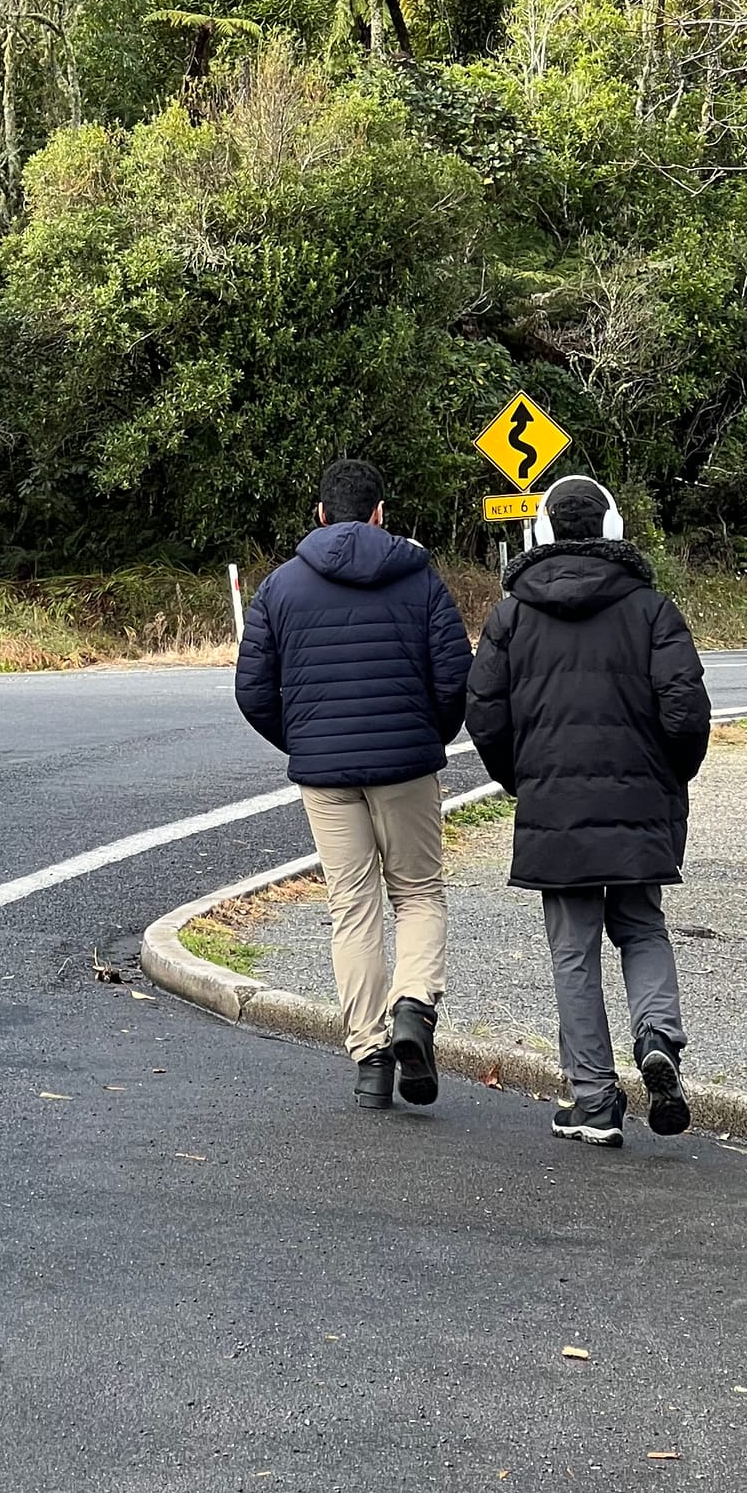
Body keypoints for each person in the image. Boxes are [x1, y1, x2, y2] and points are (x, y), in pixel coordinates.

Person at [466, 474, 712, 1147]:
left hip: (555, 806)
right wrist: (669, 776)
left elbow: (483, 713)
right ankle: (658, 1039)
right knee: (641, 926)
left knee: (573, 951)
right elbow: (686, 710)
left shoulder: (512, 613)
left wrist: (522, 777)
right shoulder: (652, 608)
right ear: (615, 529)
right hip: (639, 800)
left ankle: (595, 1101)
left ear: (541, 531)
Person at [235, 455, 473, 1110]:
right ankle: (413, 1008)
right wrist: (429, 732)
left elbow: (252, 689)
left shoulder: (281, 587)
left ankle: (370, 1057)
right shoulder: (420, 578)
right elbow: (456, 675)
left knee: (353, 904)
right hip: (406, 766)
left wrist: (305, 739)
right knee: (419, 893)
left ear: (320, 514)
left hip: (325, 774)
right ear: (379, 512)